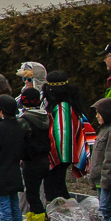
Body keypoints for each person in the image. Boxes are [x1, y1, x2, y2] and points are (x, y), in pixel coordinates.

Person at [17, 88, 54, 221]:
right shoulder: (45, 116)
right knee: (36, 193)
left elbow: (19, 139)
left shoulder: (25, 119)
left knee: (32, 194)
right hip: (44, 158)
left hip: (30, 160)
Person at [42, 70, 83, 202]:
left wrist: (53, 156)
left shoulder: (62, 109)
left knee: (55, 187)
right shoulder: (69, 106)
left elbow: (62, 135)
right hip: (62, 155)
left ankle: (61, 216)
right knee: (58, 184)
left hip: (59, 155)